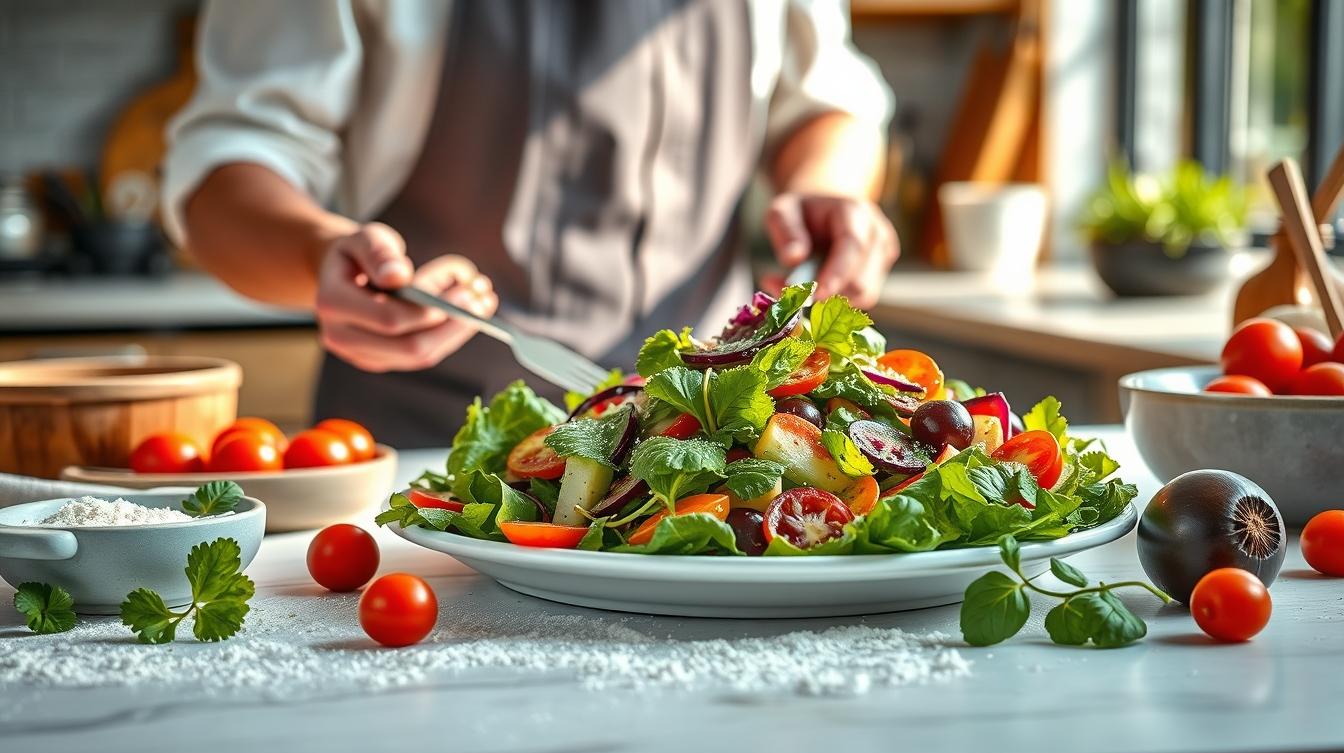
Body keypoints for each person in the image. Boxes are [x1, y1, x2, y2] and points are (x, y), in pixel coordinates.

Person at [164, 0, 898, 446]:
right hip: (431, 443)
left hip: (706, 437)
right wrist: (318, 254)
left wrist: (827, 188)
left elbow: (827, 98)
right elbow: (231, 164)